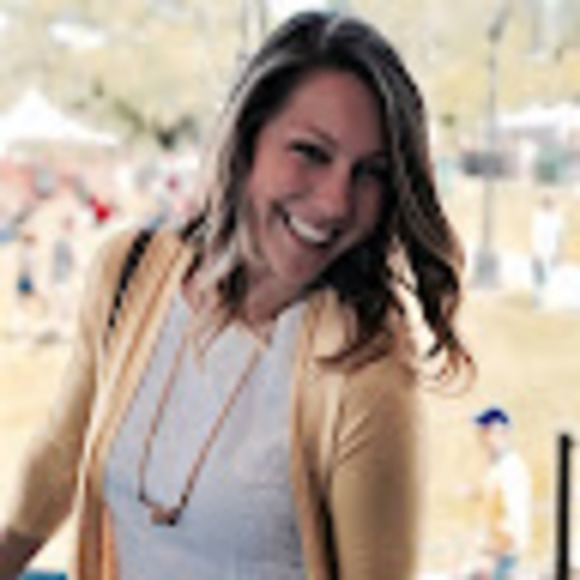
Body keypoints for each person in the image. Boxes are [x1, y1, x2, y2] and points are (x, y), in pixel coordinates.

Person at [0, 11, 473, 579]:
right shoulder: (126, 273)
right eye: (311, 152)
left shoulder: (365, 370)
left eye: (370, 173)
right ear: (247, 140)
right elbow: (61, 453)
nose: (335, 203)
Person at [467, 407, 531, 580]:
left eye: (486, 432)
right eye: (481, 432)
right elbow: (494, 499)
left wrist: (493, 557)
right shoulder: (497, 465)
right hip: (494, 553)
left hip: (501, 556)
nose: (481, 438)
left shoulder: (510, 468)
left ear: (503, 433)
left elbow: (512, 516)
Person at [530, 193, 564, 306]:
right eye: (547, 202)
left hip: (551, 250)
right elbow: (535, 234)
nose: (549, 205)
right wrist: (535, 252)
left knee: (549, 276)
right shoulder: (538, 216)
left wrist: (559, 252)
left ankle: (544, 297)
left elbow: (559, 236)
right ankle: (537, 298)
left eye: (550, 203)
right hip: (539, 250)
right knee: (538, 275)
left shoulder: (557, 217)